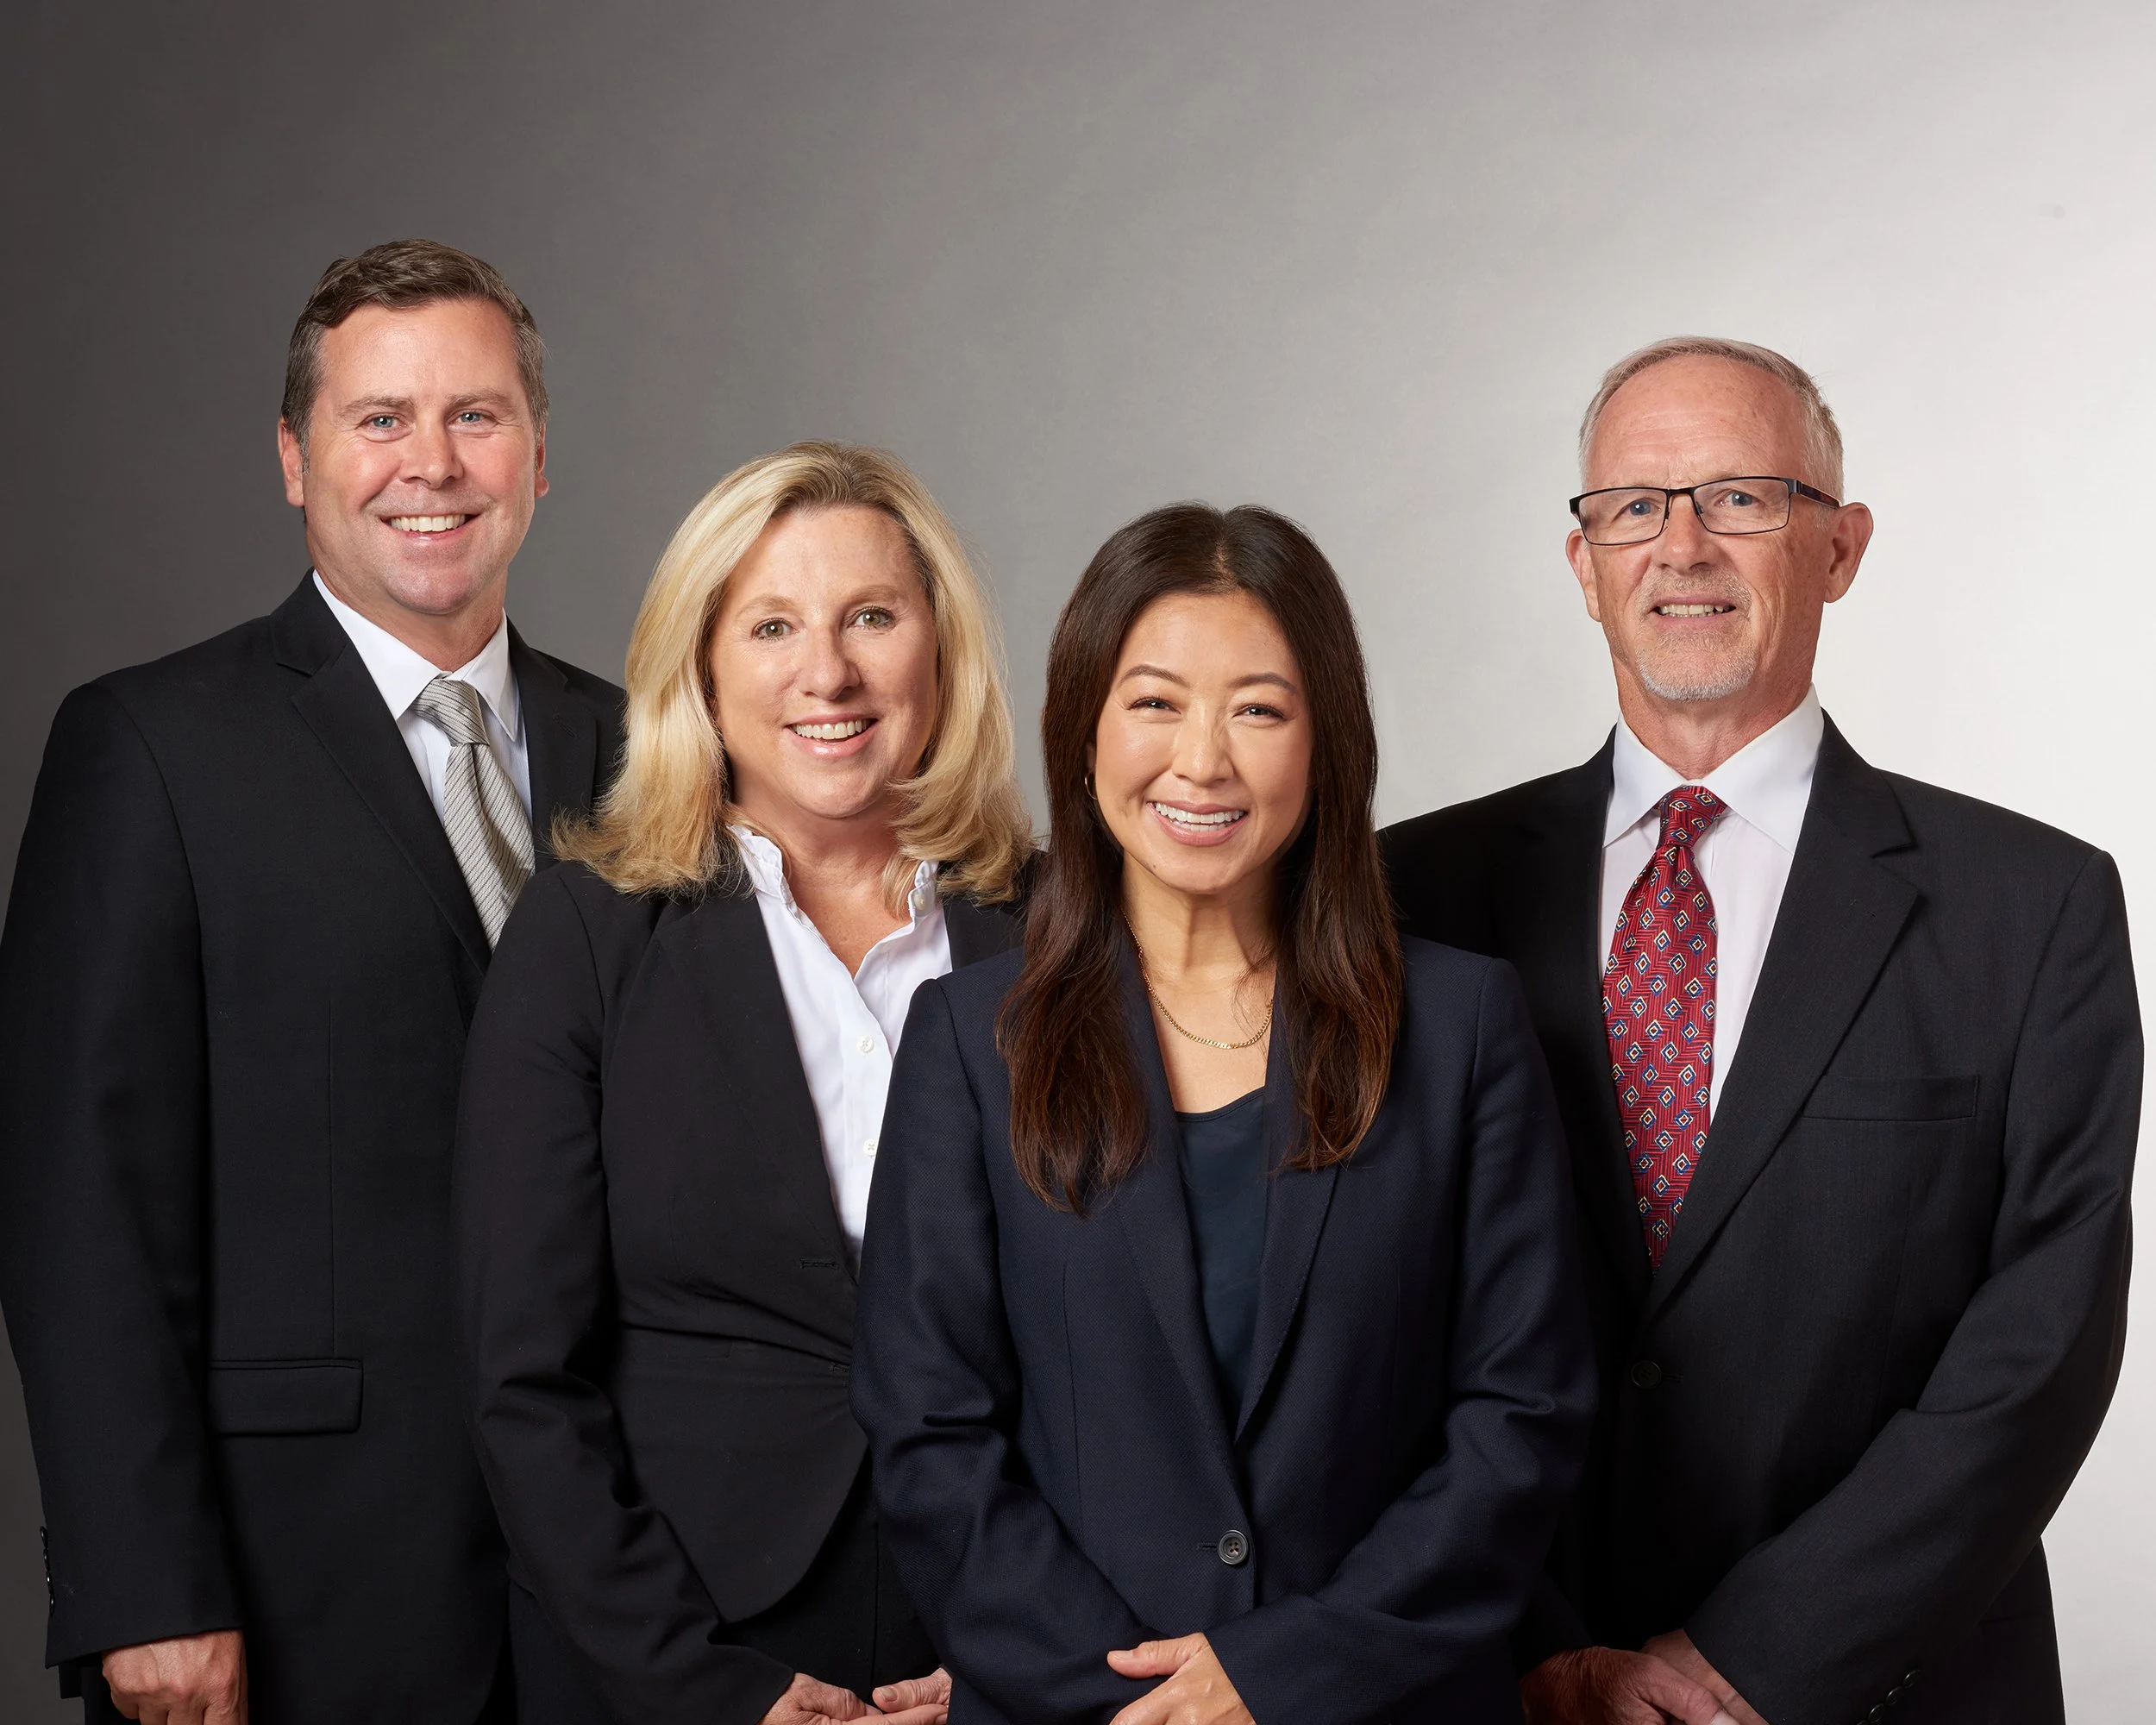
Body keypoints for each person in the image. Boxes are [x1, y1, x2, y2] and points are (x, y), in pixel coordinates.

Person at [1382, 337, 2141, 1725]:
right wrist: (1535, 1643)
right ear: (1582, 565)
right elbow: (1352, 1316)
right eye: (1633, 507)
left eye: (1741, 497)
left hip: (1886, 1690)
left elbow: (2041, 1349)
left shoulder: (2032, 910)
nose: (1682, 547)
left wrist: (1748, 1660)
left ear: (1841, 548)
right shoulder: (1409, 899)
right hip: (1496, 1681)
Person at [0, 240, 624, 1723]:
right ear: (295, 459)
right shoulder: (148, 750)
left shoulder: (648, 750)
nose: (433, 464)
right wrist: (142, 1584)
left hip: (621, 1594)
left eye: (476, 416)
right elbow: (75, 1202)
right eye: (379, 419)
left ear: (541, 457)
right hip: (291, 1589)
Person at [851, 502, 1596, 1725]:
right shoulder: (970, 1043)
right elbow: (929, 1435)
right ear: (1083, 731)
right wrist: (1143, 1706)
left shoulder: (1464, 1029)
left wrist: (1279, 1678)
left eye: (1258, 708)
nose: (1202, 759)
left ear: (1327, 744)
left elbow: (1521, 1421)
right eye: (1154, 702)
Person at [455, 442, 1034, 1725]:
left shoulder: (1054, 930)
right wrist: (706, 1689)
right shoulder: (587, 938)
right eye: (772, 625)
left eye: (872, 618)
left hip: (1000, 1627)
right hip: (693, 1639)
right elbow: (521, 1385)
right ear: (701, 669)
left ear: (940, 651)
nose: (826, 672)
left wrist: (1030, 1660)